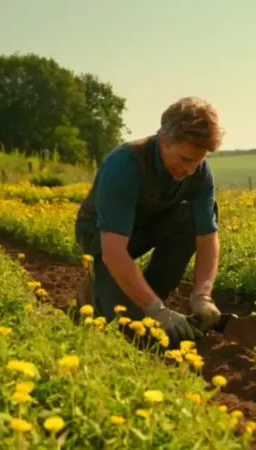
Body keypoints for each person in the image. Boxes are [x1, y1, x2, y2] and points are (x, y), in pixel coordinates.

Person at [74, 96, 224, 342]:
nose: (190, 170)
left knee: (188, 219)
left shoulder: (199, 174)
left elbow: (207, 238)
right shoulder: (125, 164)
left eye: (198, 161)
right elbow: (113, 251)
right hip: (102, 234)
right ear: (164, 140)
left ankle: (148, 296)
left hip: (147, 225)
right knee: (125, 327)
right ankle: (96, 291)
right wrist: (157, 310)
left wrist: (202, 297)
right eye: (186, 159)